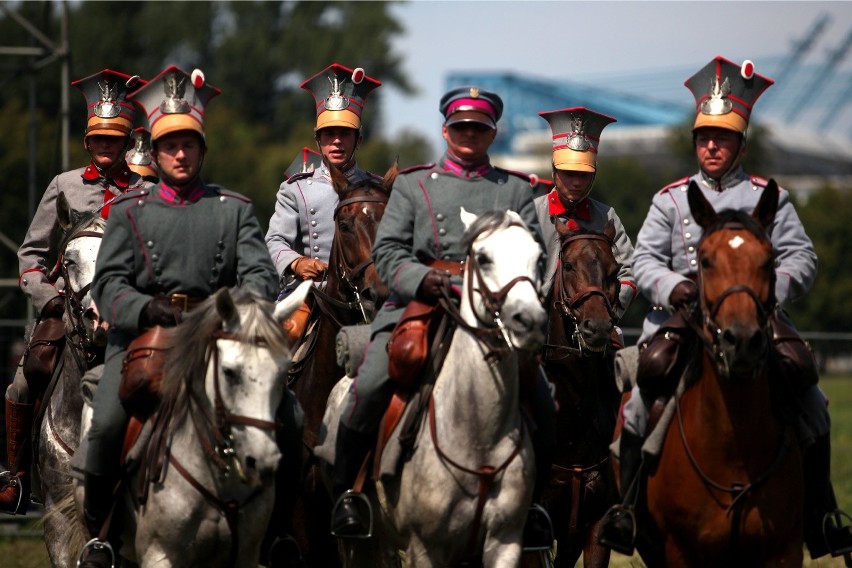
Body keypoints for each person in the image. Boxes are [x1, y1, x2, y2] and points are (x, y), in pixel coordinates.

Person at [599, 55, 852, 559]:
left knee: (811, 395)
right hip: (683, 320)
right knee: (639, 400)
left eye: (722, 137)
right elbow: (645, 259)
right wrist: (676, 288)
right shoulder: (671, 200)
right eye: (703, 137)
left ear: (741, 143)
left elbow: (803, 257)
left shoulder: (770, 199)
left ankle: (823, 515)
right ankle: (627, 513)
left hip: (755, 320)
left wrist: (761, 293)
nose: (711, 145)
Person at [330, 86, 558, 549]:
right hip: (424, 301)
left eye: (479, 127)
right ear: (446, 130)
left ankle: (533, 504)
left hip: (495, 310)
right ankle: (349, 495)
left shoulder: (515, 188)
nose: (469, 134)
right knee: (374, 380)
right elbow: (387, 253)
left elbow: (534, 255)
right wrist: (423, 279)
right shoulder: (415, 184)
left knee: (544, 398)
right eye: (461, 127)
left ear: (493, 132)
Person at [78, 65, 285, 568]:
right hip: (144, 338)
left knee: (290, 418)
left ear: (202, 151)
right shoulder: (129, 211)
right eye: (170, 145)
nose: (179, 153)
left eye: (189, 144)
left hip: (219, 339)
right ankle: (101, 535)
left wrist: (230, 311)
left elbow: (261, 276)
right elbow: (107, 286)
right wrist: (143, 306)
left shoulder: (233, 209)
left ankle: (283, 534)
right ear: (155, 149)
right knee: (105, 424)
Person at [0, 68, 153, 516]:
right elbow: (31, 255)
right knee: (26, 377)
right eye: (100, 140)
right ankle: (19, 478)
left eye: (115, 139)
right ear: (88, 142)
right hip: (65, 306)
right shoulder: (64, 186)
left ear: (127, 143)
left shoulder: (146, 191)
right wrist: (45, 295)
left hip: (123, 311)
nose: (107, 147)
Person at [266, 63, 381, 298]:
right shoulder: (295, 189)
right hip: (309, 293)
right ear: (318, 140)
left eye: (345, 133)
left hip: (370, 295)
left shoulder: (377, 189)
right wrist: (297, 263)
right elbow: (275, 240)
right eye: (329, 134)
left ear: (358, 139)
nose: (337, 141)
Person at [534, 106, 636, 318]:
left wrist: (610, 312)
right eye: (568, 173)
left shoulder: (607, 216)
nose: (576, 182)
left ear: (594, 174)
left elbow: (631, 272)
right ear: (554, 170)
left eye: (584, 174)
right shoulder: (531, 213)